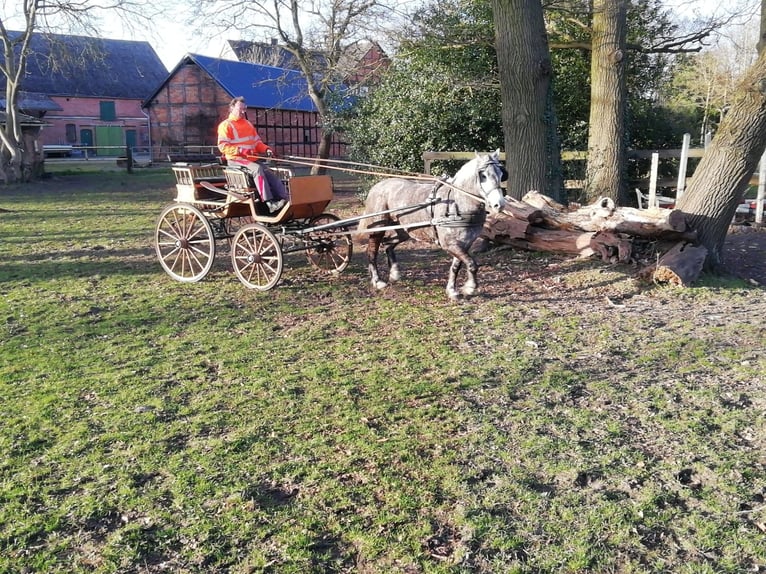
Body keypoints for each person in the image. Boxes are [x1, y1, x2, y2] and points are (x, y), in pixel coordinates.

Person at [217, 96, 288, 213]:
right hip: (236, 159)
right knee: (258, 169)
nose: (243, 111)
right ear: (232, 108)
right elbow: (223, 146)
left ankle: (284, 199)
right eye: (240, 108)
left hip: (250, 159)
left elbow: (257, 142)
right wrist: (240, 151)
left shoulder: (248, 124)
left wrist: (266, 149)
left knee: (270, 172)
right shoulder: (226, 125)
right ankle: (269, 202)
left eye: (244, 109)